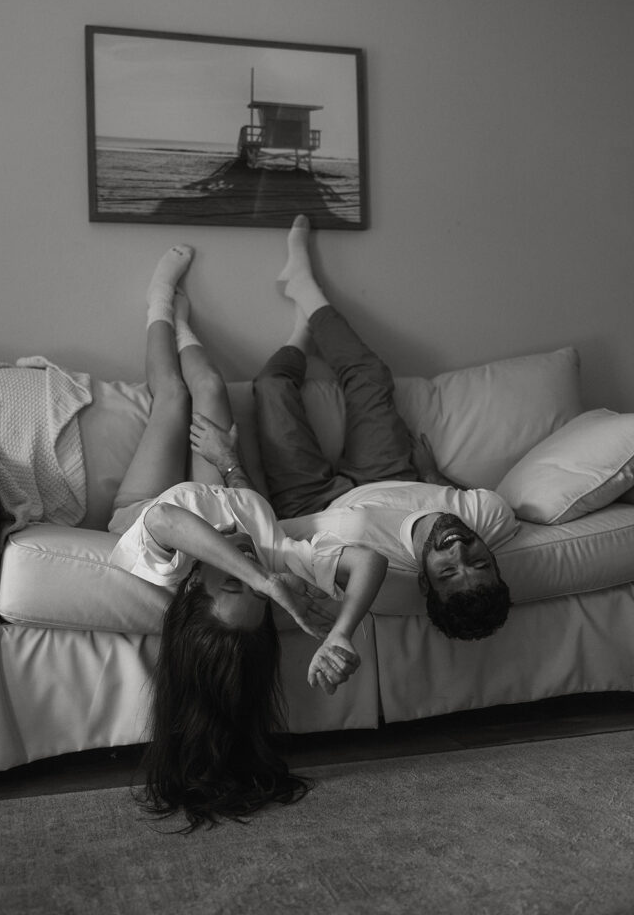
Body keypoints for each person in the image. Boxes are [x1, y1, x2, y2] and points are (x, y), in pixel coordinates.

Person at [107, 245, 388, 831]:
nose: (247, 564)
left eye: (230, 579)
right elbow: (369, 559)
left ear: (193, 592)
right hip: (224, 484)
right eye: (256, 593)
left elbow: (165, 521)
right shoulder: (274, 560)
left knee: (178, 397)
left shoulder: (169, 560)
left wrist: (260, 579)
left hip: (150, 503)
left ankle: (159, 300)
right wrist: (339, 630)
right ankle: (187, 320)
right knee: (211, 384)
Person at [194, 216, 516, 644]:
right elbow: (471, 507)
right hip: (392, 474)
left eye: (448, 571)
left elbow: (264, 533)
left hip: (312, 502)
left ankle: (300, 332)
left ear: (424, 580)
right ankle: (306, 290)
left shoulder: (370, 559)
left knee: (272, 386)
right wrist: (435, 477)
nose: (459, 551)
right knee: (369, 373)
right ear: (494, 560)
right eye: (480, 563)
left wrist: (230, 462)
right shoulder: (493, 517)